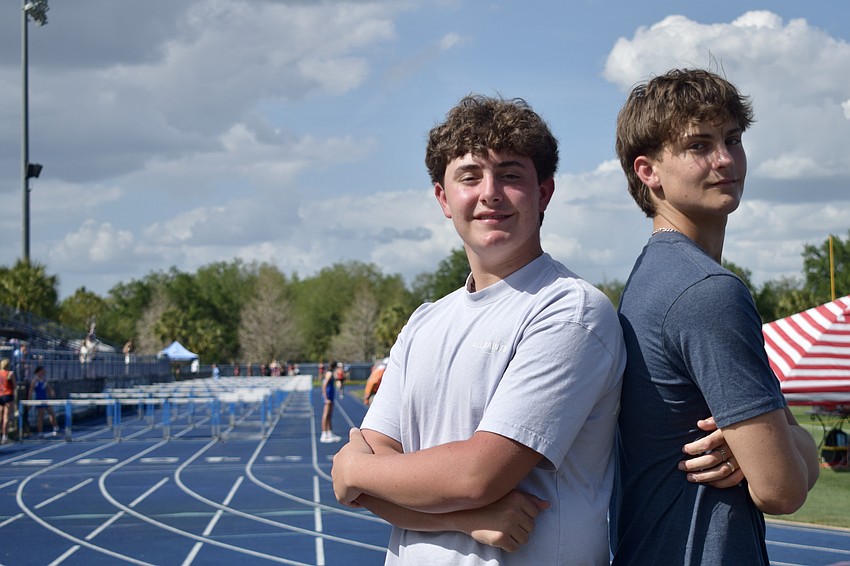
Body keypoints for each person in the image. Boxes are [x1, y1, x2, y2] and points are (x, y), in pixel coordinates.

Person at [332, 94, 626, 564]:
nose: (490, 192)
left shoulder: (570, 310)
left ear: (544, 192)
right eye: (470, 177)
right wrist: (461, 519)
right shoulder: (425, 321)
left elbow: (478, 476)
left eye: (510, 175)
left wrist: (355, 469)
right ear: (443, 199)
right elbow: (363, 490)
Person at [609, 68, 820, 565]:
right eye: (698, 145)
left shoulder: (652, 275)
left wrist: (766, 443)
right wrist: (795, 443)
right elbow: (782, 489)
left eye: (733, 139)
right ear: (648, 171)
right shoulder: (707, 292)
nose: (725, 159)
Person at [28, 366, 59, 438]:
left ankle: (55, 427)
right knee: (40, 416)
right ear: (39, 371)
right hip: (39, 400)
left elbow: (48, 388)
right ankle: (40, 432)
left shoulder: (44, 380)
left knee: (52, 413)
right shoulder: (35, 380)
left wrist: (51, 392)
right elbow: (30, 391)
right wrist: (29, 402)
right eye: (43, 371)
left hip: (45, 400)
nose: (44, 372)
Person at [321, 364, 342, 443]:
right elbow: (324, 385)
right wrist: (325, 397)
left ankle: (329, 433)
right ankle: (324, 434)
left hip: (331, 396)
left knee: (329, 415)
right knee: (325, 415)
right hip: (328, 396)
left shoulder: (332, 373)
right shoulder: (329, 373)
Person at [0, 359, 15, 443]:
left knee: (0, 416)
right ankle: (4, 436)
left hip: (0, 395)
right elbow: (15, 385)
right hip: (8, 395)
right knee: (6, 416)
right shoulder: (10, 373)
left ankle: (2, 435)